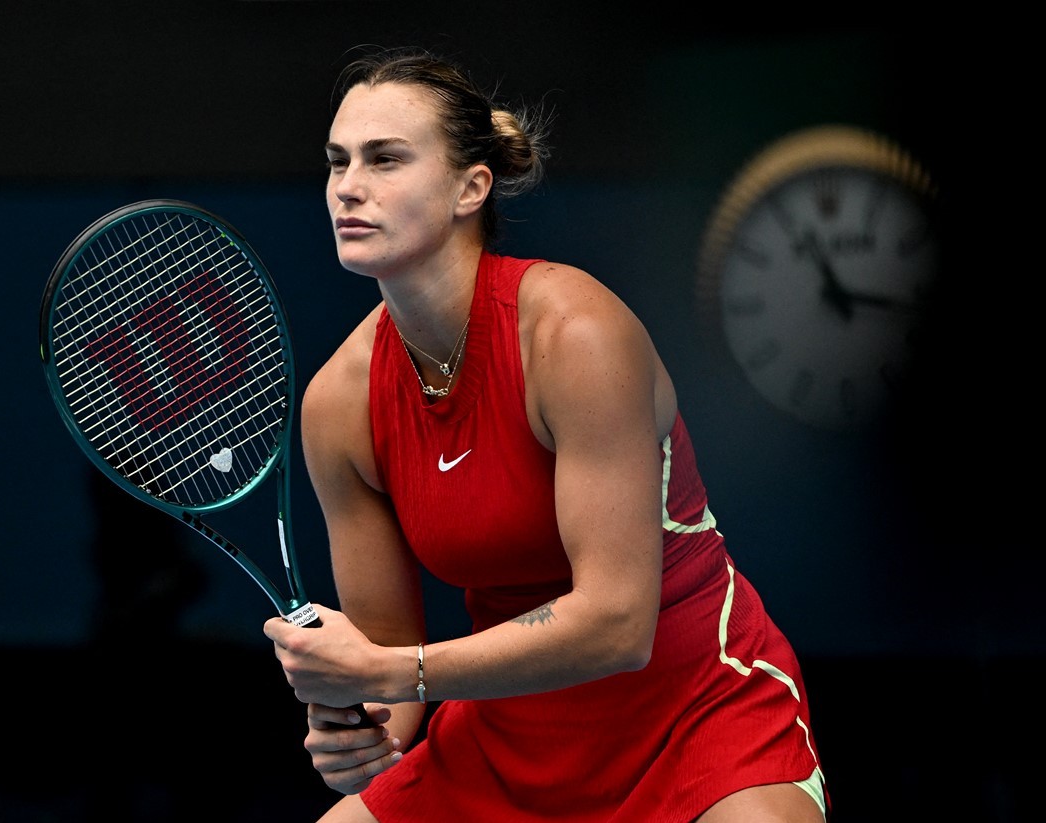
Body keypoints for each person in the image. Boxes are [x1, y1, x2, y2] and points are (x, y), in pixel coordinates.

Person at [263, 46, 829, 823]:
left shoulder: (573, 334)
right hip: (505, 735)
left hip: (694, 712)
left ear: (471, 187)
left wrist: (398, 671)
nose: (348, 187)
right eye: (338, 161)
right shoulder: (340, 404)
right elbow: (390, 656)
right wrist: (359, 728)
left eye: (385, 159)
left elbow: (617, 622)